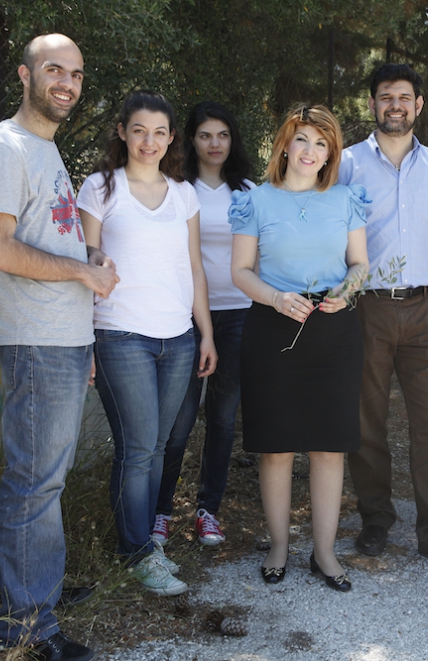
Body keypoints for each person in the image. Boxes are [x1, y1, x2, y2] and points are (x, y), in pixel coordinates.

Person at [0, 33, 118, 661]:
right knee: (35, 483)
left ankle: (35, 588)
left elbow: (43, 238)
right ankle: (28, 625)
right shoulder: (7, 147)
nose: (67, 83)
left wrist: (84, 257)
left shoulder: (44, 150)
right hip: (34, 338)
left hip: (60, 337)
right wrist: (85, 275)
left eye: (77, 74)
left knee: (46, 482)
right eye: (54, 70)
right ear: (26, 77)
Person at [77, 90, 217, 597]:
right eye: (139, 130)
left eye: (159, 132)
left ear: (171, 139)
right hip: (120, 336)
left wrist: (206, 333)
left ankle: (142, 545)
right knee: (137, 449)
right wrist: (85, 340)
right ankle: (136, 552)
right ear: (122, 132)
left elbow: (194, 267)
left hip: (178, 338)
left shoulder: (183, 193)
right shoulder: (99, 189)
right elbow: (86, 265)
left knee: (158, 446)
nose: (149, 141)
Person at [338, 63, 428, 575]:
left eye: (404, 96)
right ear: (372, 105)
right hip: (367, 308)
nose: (394, 104)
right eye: (384, 96)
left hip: (424, 308)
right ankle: (375, 519)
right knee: (365, 421)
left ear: (419, 105)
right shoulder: (348, 164)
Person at [230, 104, 368, 592]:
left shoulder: (346, 198)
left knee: (330, 448)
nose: (311, 152)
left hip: (334, 330)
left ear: (330, 153)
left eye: (322, 143)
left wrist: (346, 291)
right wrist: (274, 297)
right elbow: (241, 271)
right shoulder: (256, 201)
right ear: (285, 143)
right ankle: (279, 546)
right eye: (303, 140)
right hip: (273, 327)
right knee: (276, 448)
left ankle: (325, 553)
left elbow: (359, 264)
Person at [152, 102, 255, 548]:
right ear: (190, 140)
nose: (214, 144)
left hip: (238, 313)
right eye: (205, 135)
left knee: (223, 418)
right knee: (177, 421)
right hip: (186, 315)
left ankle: (207, 511)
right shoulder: (176, 189)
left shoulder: (249, 191)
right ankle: (158, 513)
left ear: (233, 141)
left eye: (223, 135)